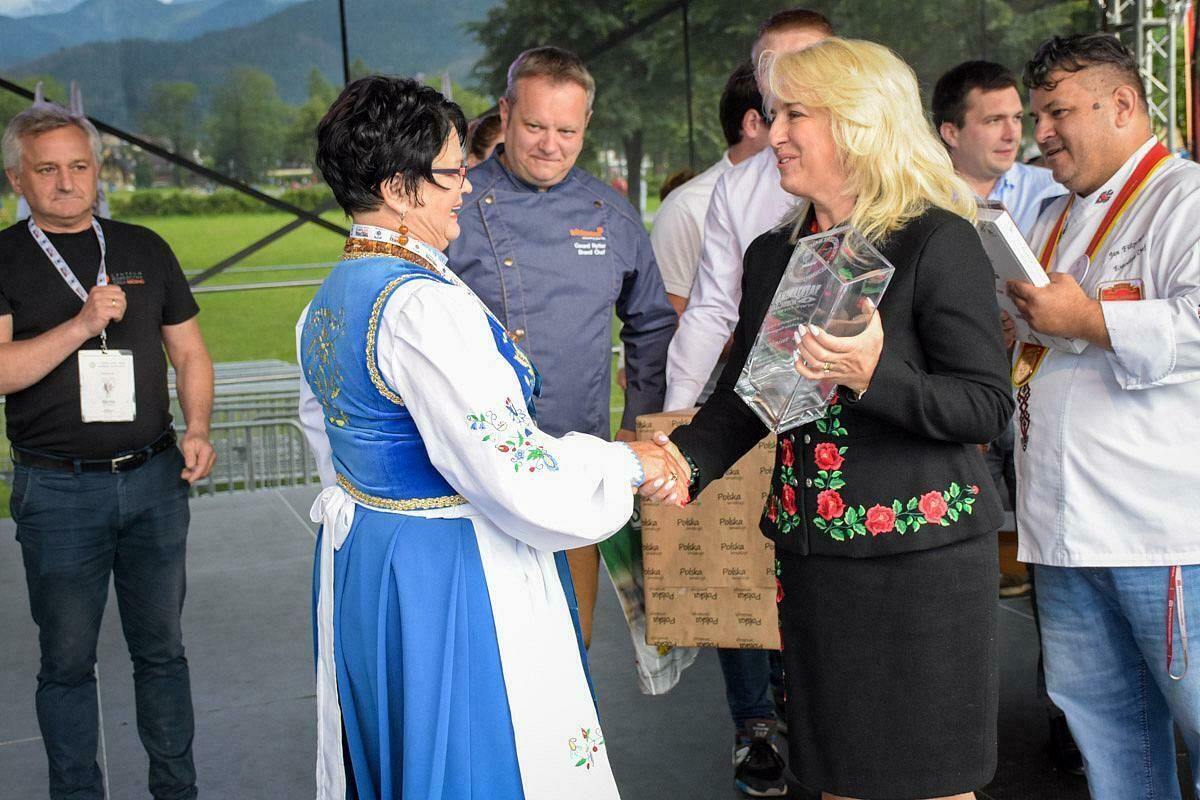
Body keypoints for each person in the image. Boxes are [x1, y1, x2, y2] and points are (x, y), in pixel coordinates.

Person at [296, 75, 688, 800]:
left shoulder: (332, 294)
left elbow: (329, 436)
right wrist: (626, 463)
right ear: (399, 188)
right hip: (447, 570)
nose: (467, 189)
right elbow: (514, 471)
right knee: (479, 754)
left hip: (371, 557)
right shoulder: (420, 308)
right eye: (452, 173)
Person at [667, 39, 1014, 800]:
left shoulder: (937, 239)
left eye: (794, 114)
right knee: (839, 779)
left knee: (936, 785)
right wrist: (678, 461)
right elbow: (753, 395)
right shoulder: (775, 253)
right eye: (774, 113)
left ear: (858, 125)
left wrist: (872, 377)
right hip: (815, 560)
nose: (773, 132)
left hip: (924, 562)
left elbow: (986, 406)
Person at [0, 103, 215, 800]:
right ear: (17, 180)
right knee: (66, 664)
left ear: (98, 170)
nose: (67, 182)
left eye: (79, 166)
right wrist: (81, 323)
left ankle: (176, 790)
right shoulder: (3, 257)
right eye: (47, 170)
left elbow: (190, 352)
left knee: (163, 653)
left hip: (155, 479)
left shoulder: (144, 246)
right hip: (58, 491)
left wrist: (198, 428)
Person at [1007, 33, 1200, 799]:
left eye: (1057, 112)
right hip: (1063, 528)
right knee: (1107, 737)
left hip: (1163, 531)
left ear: (1122, 104)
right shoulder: (1051, 214)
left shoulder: (1184, 198)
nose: (1041, 132)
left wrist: (1087, 320)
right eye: (1037, 115)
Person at [449, 46, 677, 650]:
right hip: (472, 482)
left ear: (586, 126)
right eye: (534, 126)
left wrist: (634, 425)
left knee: (571, 645)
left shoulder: (611, 214)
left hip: (575, 474)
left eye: (567, 131)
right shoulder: (453, 208)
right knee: (489, 651)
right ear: (505, 114)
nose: (550, 145)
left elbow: (652, 324)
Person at [932, 57, 1081, 774]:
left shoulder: (1052, 194)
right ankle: (957, 726)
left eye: (1018, 118)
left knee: (1055, 560)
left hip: (1034, 400)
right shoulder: (917, 198)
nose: (1014, 132)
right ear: (948, 131)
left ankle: (1064, 716)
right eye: (994, 120)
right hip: (956, 403)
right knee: (957, 567)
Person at [651, 60, 788, 798]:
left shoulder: (900, 204)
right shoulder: (708, 202)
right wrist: (681, 426)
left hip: (825, 433)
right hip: (731, 414)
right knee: (735, 571)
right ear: (757, 119)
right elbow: (698, 313)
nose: (790, 129)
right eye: (783, 108)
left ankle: (801, 712)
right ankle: (755, 725)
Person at [664, 8, 833, 412]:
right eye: (770, 67)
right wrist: (675, 412)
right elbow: (712, 308)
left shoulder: (895, 174)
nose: (787, 76)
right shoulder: (737, 187)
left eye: (805, 59)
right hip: (765, 402)